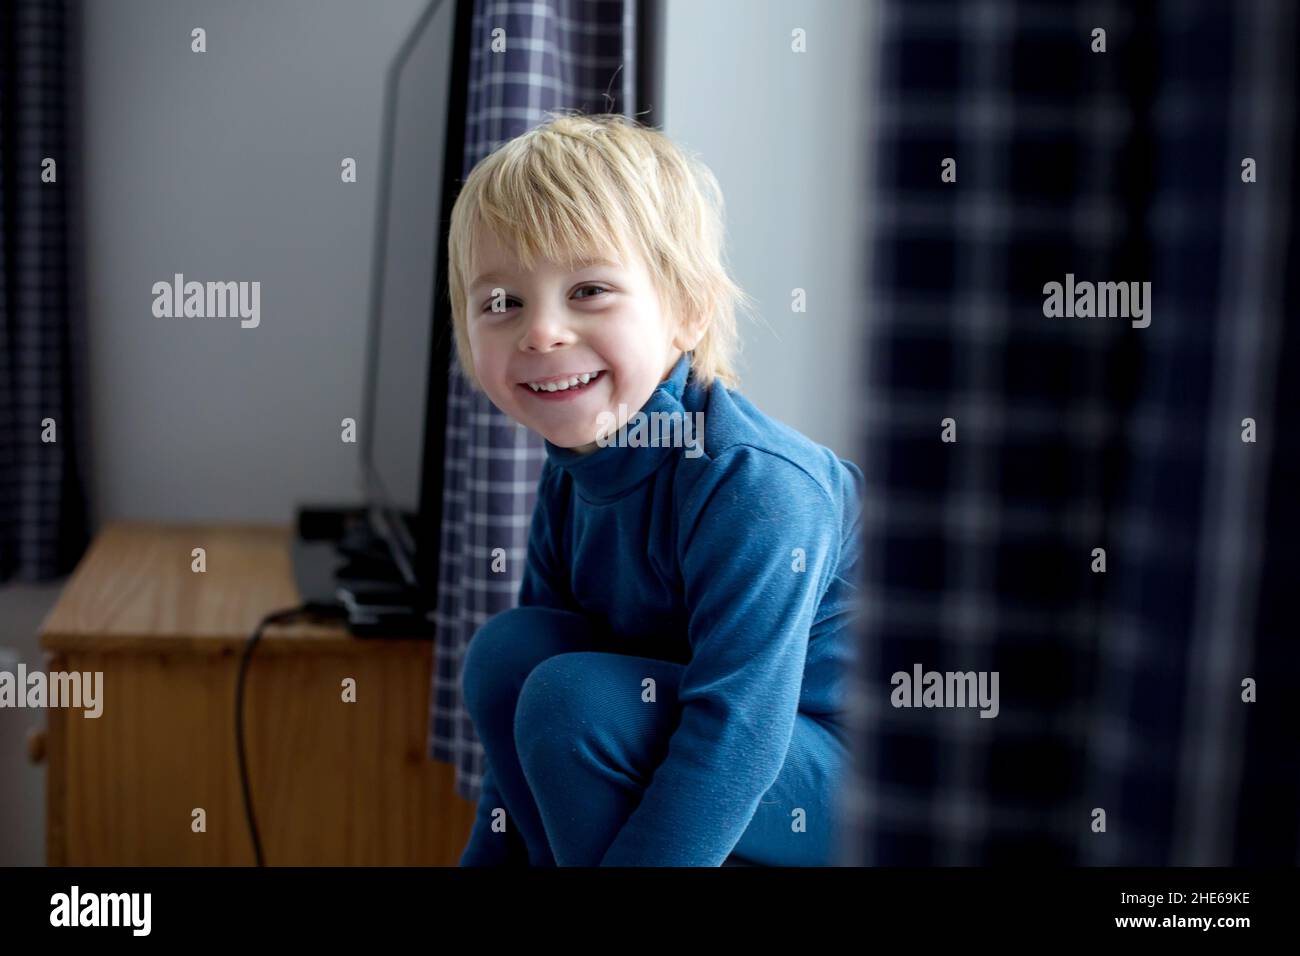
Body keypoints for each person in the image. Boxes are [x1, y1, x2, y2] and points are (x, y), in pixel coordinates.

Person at [449, 112, 863, 867]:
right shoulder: (579, 466)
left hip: (834, 770)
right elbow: (512, 773)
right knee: (512, 655)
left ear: (688, 311)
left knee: (574, 703)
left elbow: (737, 734)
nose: (541, 332)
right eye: (501, 302)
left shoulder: (756, 485)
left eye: (590, 290)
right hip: (715, 734)